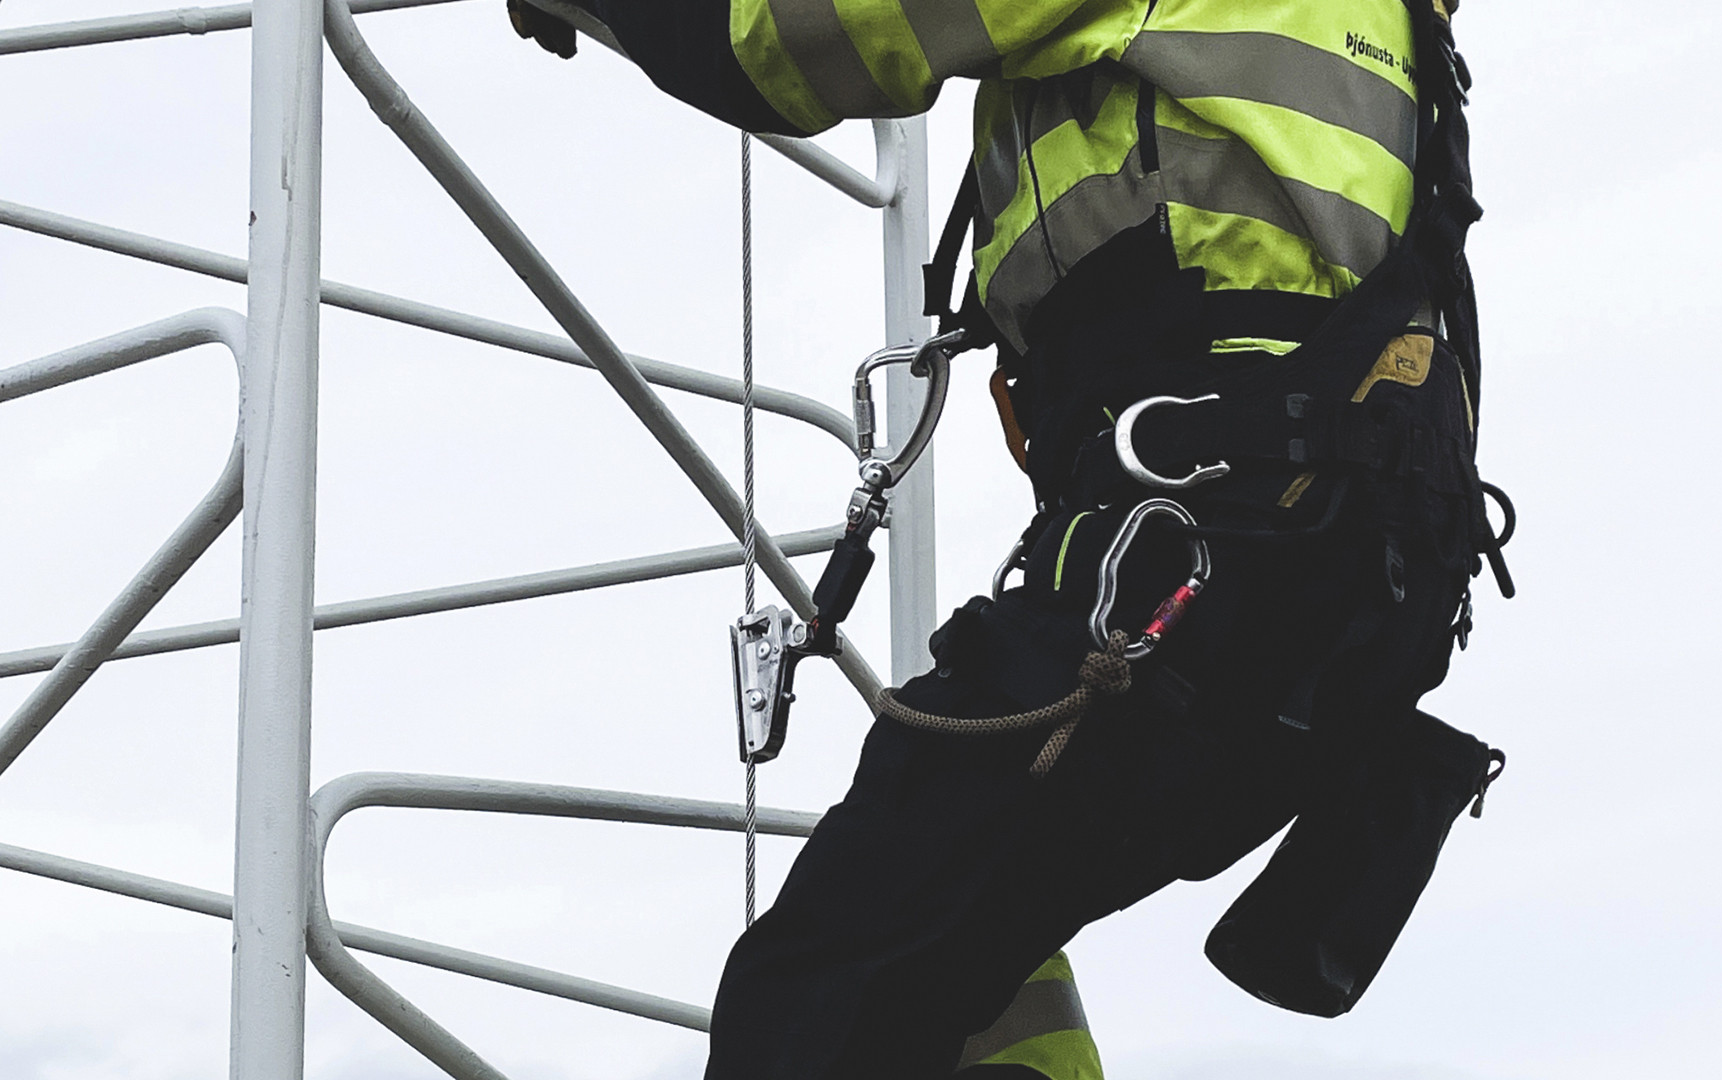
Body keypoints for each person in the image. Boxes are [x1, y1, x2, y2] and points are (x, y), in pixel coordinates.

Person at [507, 1, 1505, 1077]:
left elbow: (801, 39)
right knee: (978, 946)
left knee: (818, 984)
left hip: (1202, 550)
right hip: (1347, 581)